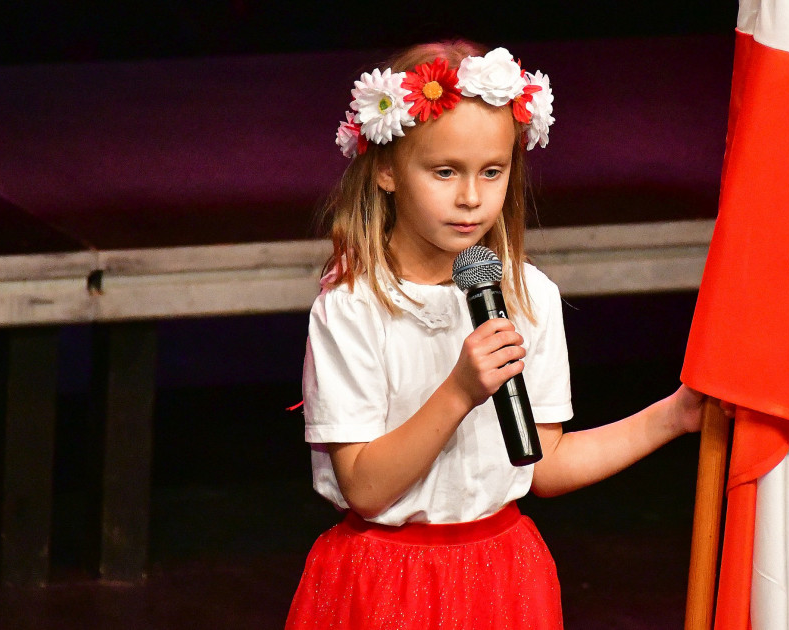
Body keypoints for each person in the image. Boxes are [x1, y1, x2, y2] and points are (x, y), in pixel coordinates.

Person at [286, 39, 719, 629]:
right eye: (445, 172)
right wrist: (461, 389)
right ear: (386, 169)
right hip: (387, 578)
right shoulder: (354, 304)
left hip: (501, 576)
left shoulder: (524, 294)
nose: (471, 197)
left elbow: (542, 464)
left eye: (492, 171)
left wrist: (673, 416)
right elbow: (364, 487)